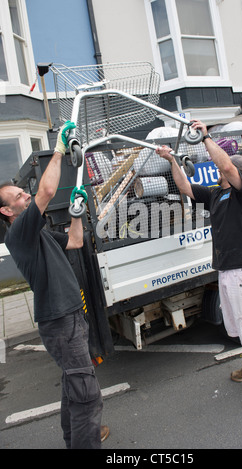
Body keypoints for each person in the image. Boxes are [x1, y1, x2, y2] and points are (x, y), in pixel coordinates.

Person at [156, 119, 242, 409]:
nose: (218, 170)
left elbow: (227, 166)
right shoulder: (217, 194)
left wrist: (205, 138)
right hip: (227, 269)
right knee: (241, 324)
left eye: (222, 168)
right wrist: (172, 160)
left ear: (239, 174)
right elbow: (186, 187)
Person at [0, 122, 109, 447]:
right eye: (19, 195)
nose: (26, 195)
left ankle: (74, 437)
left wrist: (76, 212)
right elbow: (46, 192)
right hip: (59, 321)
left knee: (74, 384)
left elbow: (75, 241)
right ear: (7, 211)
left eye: (24, 191)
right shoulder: (18, 235)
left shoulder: (40, 233)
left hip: (70, 315)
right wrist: (59, 148)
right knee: (87, 393)